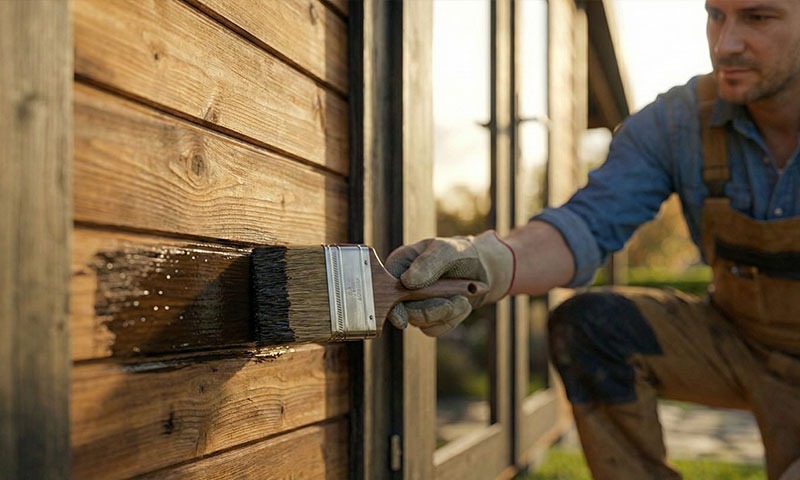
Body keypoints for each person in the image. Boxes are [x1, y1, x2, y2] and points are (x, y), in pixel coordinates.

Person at [384, 1, 800, 479]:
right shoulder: (677, 122)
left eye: (758, 18)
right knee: (590, 326)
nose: (725, 44)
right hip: (738, 343)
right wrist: (483, 262)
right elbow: (586, 223)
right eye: (715, 16)